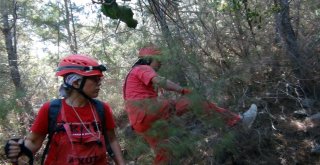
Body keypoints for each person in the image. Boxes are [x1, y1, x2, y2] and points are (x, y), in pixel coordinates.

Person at [122, 45, 258, 165]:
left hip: (139, 123)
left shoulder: (132, 75)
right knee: (194, 100)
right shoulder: (142, 68)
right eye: (158, 60)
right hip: (147, 112)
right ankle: (237, 121)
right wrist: (182, 89)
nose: (160, 64)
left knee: (164, 152)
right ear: (149, 58)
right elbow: (159, 81)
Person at [5, 54, 126, 165]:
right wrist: (18, 150)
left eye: (100, 79)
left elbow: (111, 141)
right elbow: (33, 142)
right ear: (76, 83)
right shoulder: (51, 109)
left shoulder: (102, 109)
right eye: (95, 79)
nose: (99, 83)